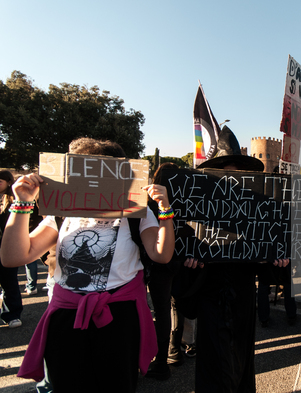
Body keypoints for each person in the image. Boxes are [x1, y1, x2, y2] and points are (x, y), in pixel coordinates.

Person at [0, 137, 175, 392]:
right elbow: (13, 257)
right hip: (66, 316)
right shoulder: (61, 211)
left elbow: (161, 255)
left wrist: (164, 211)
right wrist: (23, 202)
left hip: (118, 317)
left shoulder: (137, 213)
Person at [183, 126, 289, 392]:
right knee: (215, 373)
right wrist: (191, 264)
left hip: (243, 300)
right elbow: (177, 257)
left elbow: (264, 263)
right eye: (225, 172)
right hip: (210, 299)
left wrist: (274, 261)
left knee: (241, 367)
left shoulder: (256, 211)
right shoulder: (197, 209)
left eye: (237, 172)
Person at [144, 162, 187, 380]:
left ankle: (159, 360)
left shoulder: (151, 200)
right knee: (171, 309)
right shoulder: (187, 196)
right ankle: (170, 353)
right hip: (178, 261)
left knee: (157, 311)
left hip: (154, 262)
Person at [0, 170, 43, 328]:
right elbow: (12, 258)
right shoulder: (59, 220)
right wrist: (23, 201)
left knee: (9, 282)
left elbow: (12, 259)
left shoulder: (125, 220)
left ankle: (12, 314)